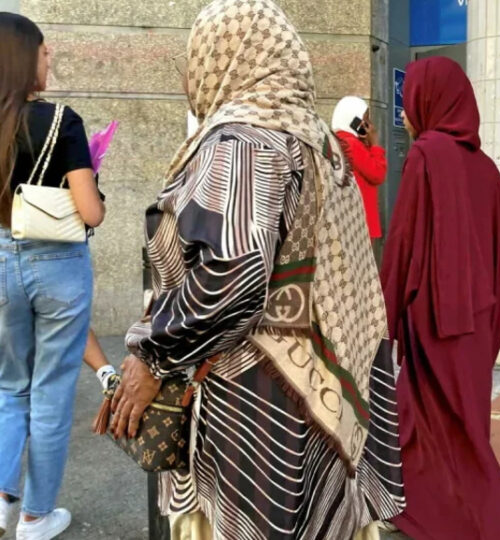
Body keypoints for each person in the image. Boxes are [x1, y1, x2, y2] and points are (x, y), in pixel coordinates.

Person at [109, 1, 404, 538]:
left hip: (256, 400)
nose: (186, 74)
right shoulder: (318, 142)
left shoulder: (246, 141)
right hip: (318, 398)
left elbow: (233, 277)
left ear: (228, 56)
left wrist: (152, 356)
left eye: (195, 56)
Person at [381, 57, 500, 540]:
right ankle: (435, 513)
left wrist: (383, 320)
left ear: (430, 101)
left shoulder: (424, 154)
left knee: (428, 422)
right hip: (477, 324)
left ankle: (489, 524)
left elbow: (403, 242)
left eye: (407, 101)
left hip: (434, 320)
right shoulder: (482, 166)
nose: (403, 112)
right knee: (460, 425)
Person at [0, 12, 105, 540]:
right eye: (44, 53)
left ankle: (1, 499)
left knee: (9, 385)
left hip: (0, 262)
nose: (49, 61)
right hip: (57, 263)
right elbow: (89, 212)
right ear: (24, 60)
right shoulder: (61, 119)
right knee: (51, 390)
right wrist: (93, 190)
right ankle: (36, 517)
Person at [331, 96, 387, 250]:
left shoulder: (338, 140)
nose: (368, 125)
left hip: (347, 219)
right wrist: (375, 143)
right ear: (352, 120)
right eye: (365, 119)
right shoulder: (352, 144)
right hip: (361, 221)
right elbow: (377, 174)